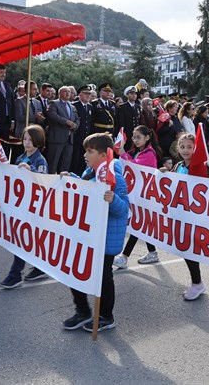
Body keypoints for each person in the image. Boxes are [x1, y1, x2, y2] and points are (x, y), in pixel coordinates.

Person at [61, 133, 129, 332]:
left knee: (103, 277)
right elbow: (86, 190)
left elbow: (124, 208)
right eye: (85, 150)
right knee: (76, 270)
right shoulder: (91, 171)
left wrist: (112, 199)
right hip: (88, 233)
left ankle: (106, 316)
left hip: (105, 237)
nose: (85, 155)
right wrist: (72, 178)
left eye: (89, 151)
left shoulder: (113, 174)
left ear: (103, 154)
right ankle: (82, 311)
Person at [166, 132, 209, 300]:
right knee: (185, 248)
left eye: (190, 147)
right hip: (180, 215)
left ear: (196, 148)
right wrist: (164, 173)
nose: (186, 150)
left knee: (189, 250)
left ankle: (197, 283)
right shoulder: (179, 165)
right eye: (182, 147)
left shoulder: (201, 167)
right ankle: (197, 283)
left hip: (194, 217)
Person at [0, 125, 49, 288]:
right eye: (25, 139)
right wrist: (0, 194)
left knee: (23, 239)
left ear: (38, 141)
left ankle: (15, 274)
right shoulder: (20, 158)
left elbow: (43, 182)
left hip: (33, 206)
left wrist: (31, 170)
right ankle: (40, 266)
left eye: (31, 139)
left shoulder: (40, 160)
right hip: (21, 205)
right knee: (25, 238)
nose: (27, 142)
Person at [114, 125, 161, 268]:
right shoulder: (138, 151)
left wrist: (122, 154)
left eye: (139, 137)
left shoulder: (149, 154)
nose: (135, 140)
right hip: (138, 193)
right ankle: (152, 252)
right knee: (141, 223)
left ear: (147, 137)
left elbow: (134, 167)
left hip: (145, 195)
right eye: (134, 137)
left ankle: (125, 256)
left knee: (138, 223)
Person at [46, 86, 79, 174]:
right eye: (65, 91)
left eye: (69, 92)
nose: (68, 93)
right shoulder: (54, 103)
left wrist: (75, 125)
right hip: (57, 138)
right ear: (59, 93)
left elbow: (77, 119)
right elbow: (52, 116)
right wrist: (66, 122)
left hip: (69, 139)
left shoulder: (72, 107)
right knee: (53, 163)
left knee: (65, 164)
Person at [71, 84, 94, 176]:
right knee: (75, 158)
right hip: (76, 136)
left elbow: (90, 122)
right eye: (85, 94)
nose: (88, 96)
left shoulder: (90, 107)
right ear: (80, 94)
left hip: (86, 136)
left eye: (89, 94)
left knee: (83, 159)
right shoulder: (74, 106)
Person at [117, 86, 142, 151]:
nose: (134, 95)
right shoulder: (122, 107)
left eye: (135, 94)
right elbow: (121, 123)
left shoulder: (138, 107)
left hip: (136, 134)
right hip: (127, 134)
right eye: (131, 93)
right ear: (127, 95)